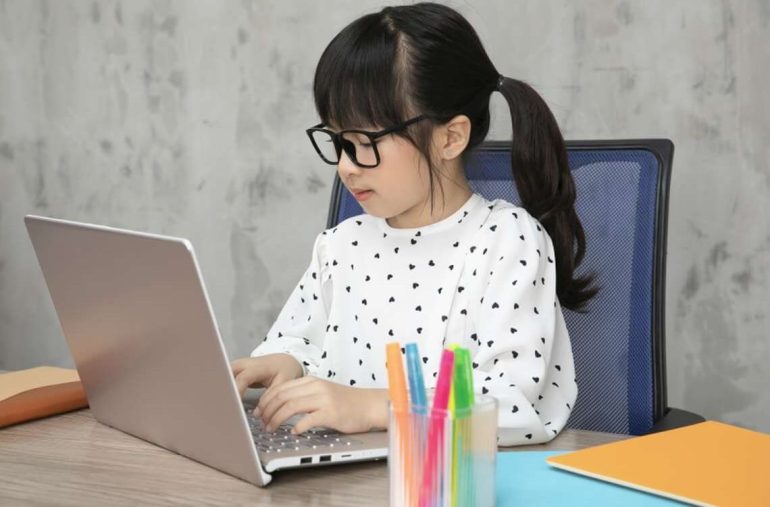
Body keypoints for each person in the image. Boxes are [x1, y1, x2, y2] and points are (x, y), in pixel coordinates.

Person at [231, 2, 597, 446]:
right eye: (338, 142)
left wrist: (369, 406)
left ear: (450, 137)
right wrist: (286, 361)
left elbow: (514, 403)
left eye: (363, 143)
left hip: (452, 481)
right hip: (343, 478)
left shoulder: (506, 242)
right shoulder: (341, 245)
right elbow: (301, 339)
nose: (346, 168)